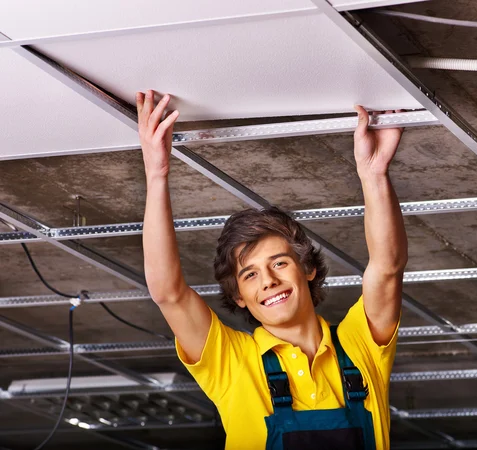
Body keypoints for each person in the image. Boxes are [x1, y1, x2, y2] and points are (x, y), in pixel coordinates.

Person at [136, 89, 408, 450]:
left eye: (279, 262)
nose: (269, 281)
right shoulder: (232, 363)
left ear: (307, 269)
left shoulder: (361, 347)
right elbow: (168, 293)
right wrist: (157, 173)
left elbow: (387, 267)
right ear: (239, 297)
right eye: (249, 274)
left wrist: (373, 173)